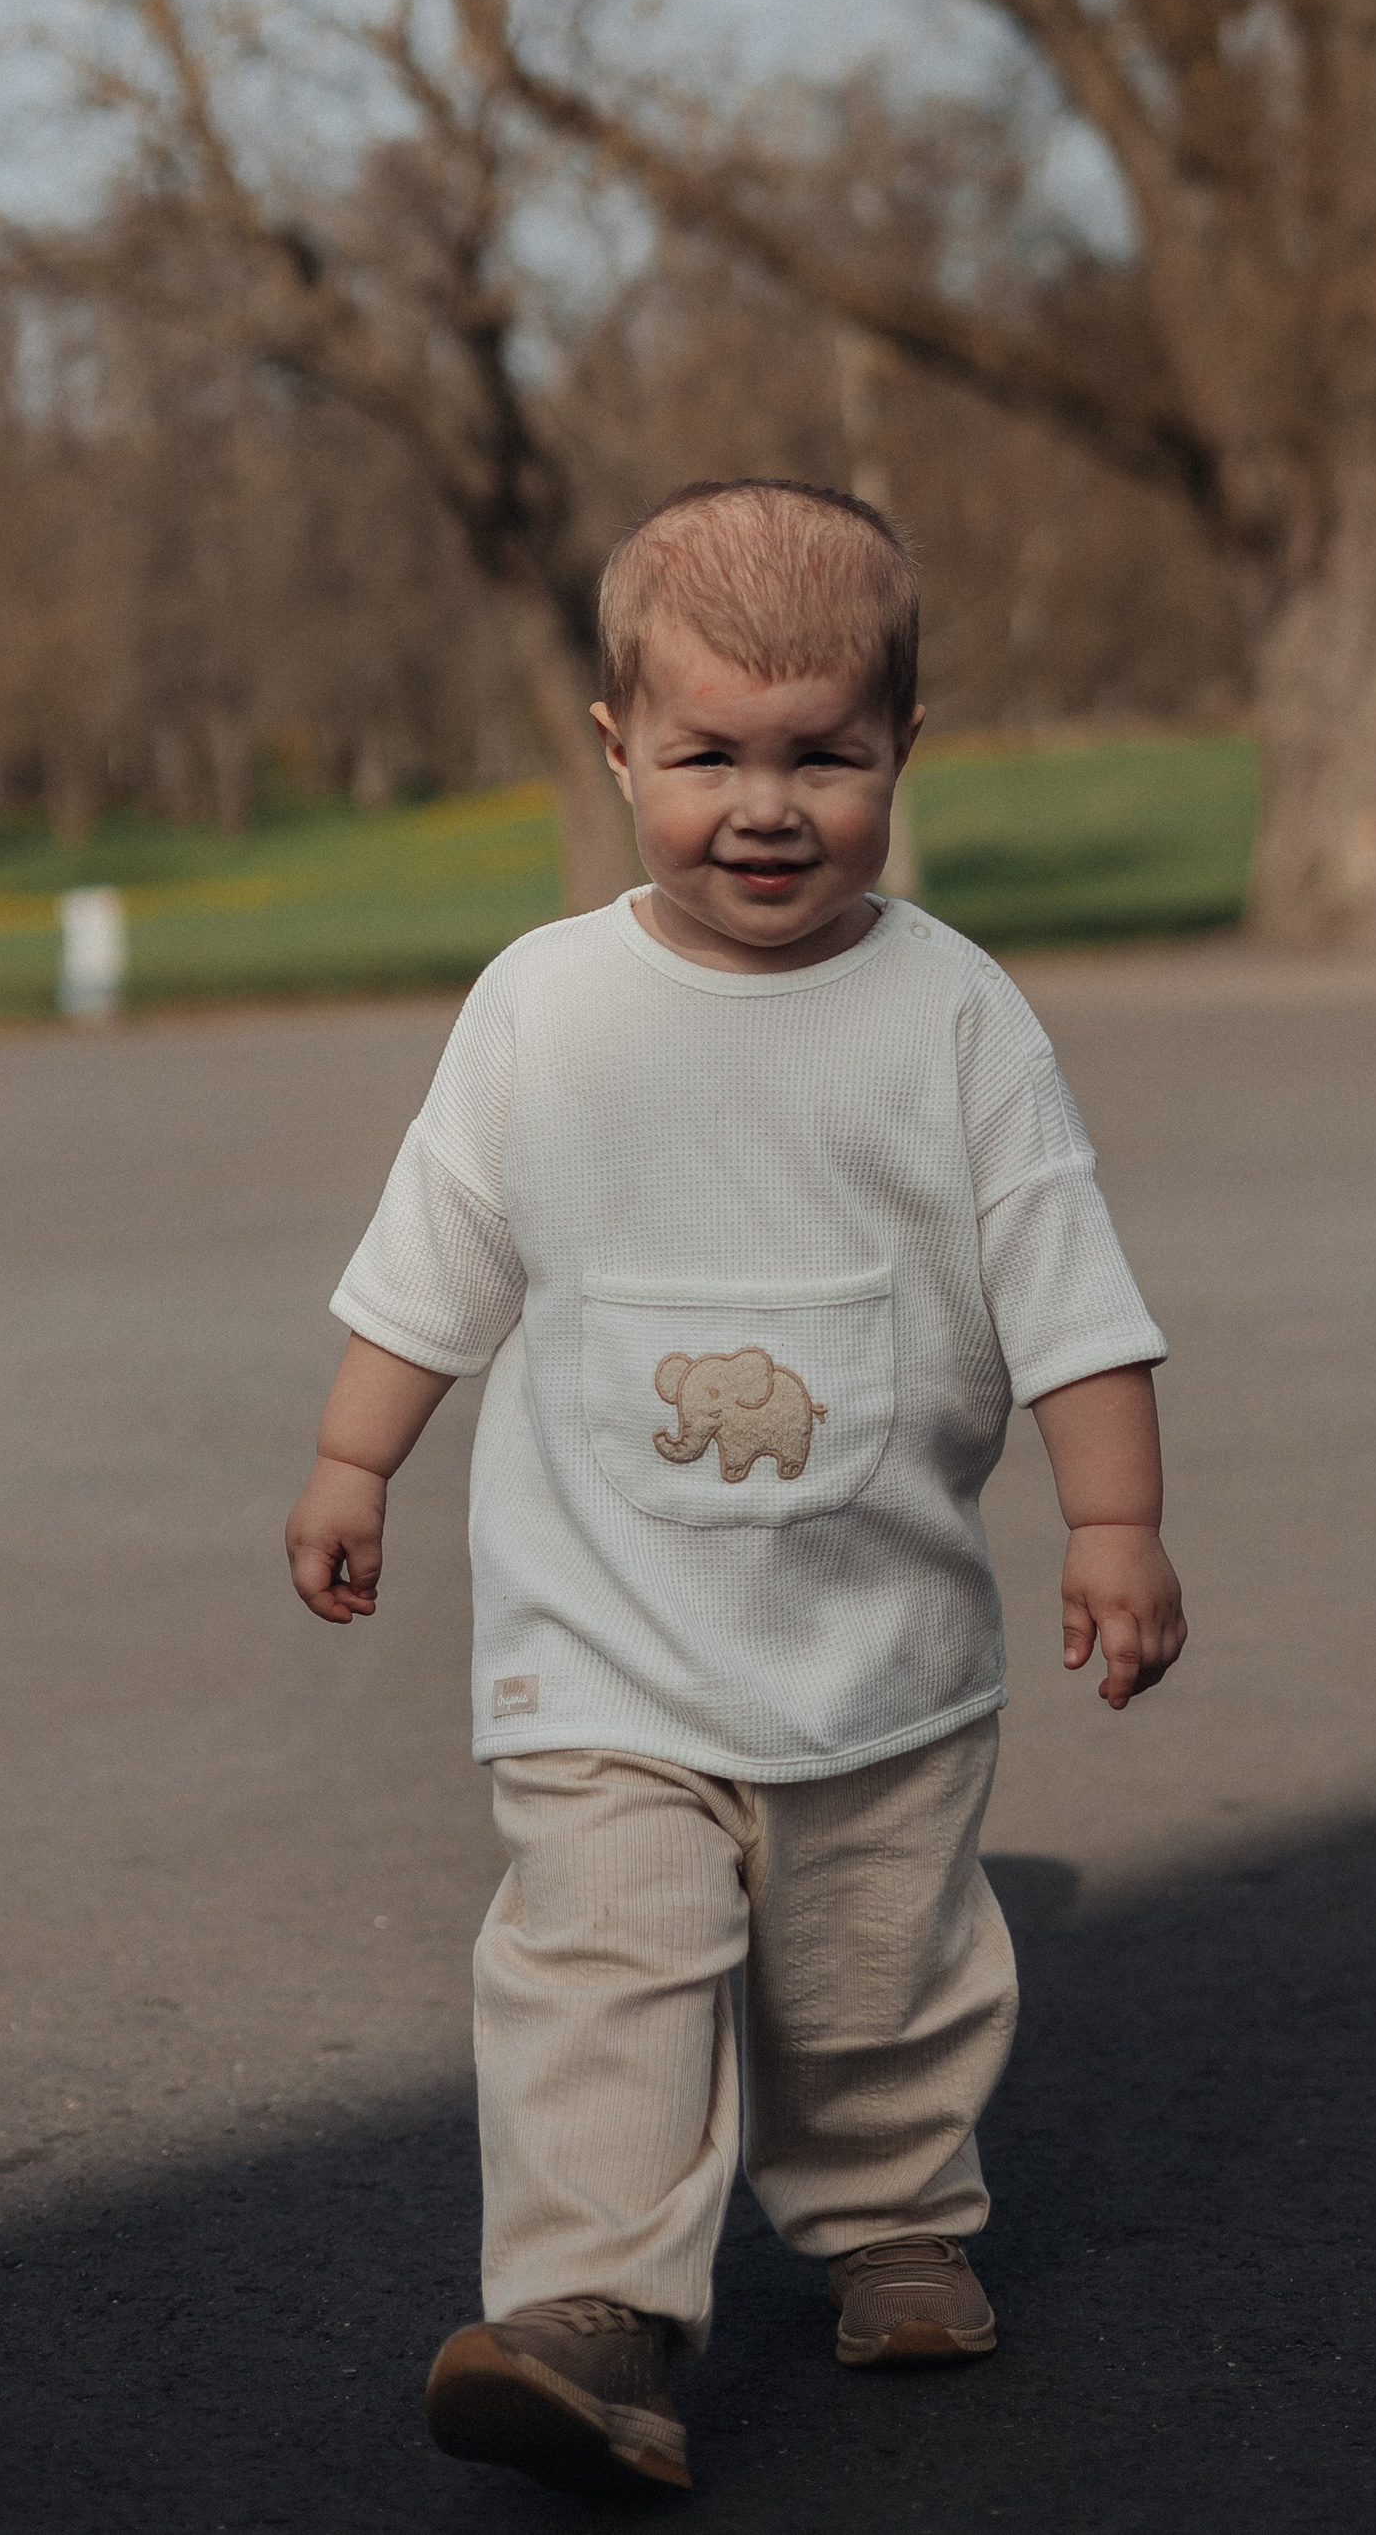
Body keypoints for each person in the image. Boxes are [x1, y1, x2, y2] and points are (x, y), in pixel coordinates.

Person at [285, 477, 1186, 2496]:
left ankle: (894, 2218)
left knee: (873, 1973)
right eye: (708, 758)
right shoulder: (546, 1006)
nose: (763, 809)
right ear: (619, 749)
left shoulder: (949, 1012)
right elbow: (436, 1249)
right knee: (600, 1958)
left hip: (875, 1637)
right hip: (601, 1639)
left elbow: (1066, 1283)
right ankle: (588, 2312)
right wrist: (355, 1457)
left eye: (821, 758)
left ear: (901, 751)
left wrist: (1112, 1523)